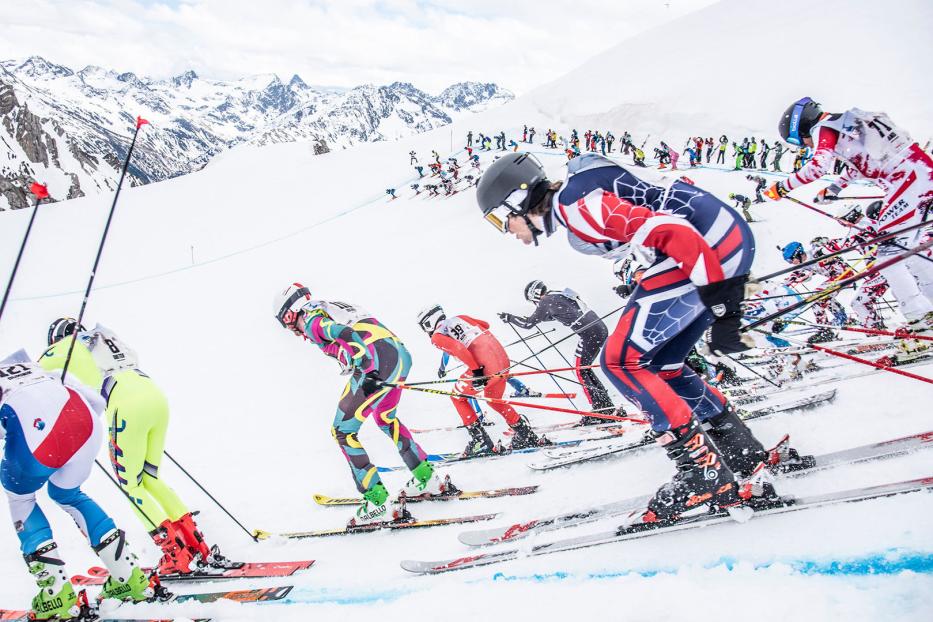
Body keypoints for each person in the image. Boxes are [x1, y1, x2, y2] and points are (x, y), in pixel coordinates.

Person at [475, 152, 806, 524]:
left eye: (501, 219)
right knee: (663, 365)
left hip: (704, 250)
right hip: (725, 243)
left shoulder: (576, 207)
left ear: (517, 200)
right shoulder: (578, 203)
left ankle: (703, 475)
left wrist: (723, 303)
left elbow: (675, 232)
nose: (507, 230)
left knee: (618, 362)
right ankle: (742, 452)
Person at [40, 319, 233, 578]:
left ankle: (174, 554)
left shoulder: (66, 345)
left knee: (131, 485)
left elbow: (37, 369)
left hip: (126, 404)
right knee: (150, 478)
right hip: (153, 396)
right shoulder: (105, 337)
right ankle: (197, 546)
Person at [273, 284, 451, 526]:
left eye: (285, 323)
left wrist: (368, 369)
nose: (291, 330)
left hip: (376, 360)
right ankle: (426, 477)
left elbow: (345, 334)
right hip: (398, 355)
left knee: (343, 431)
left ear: (289, 314)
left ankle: (378, 503)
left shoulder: (312, 320)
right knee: (385, 418)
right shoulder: (328, 306)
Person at [1, 349, 159, 619]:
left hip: (38, 437)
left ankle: (57, 597)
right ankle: (127, 577)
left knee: (21, 497)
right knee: (66, 493)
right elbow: (95, 401)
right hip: (85, 425)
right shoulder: (34, 367)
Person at [766, 97, 933, 329]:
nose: (806, 145)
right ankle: (928, 308)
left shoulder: (823, 128)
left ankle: (920, 316)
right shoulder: (846, 124)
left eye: (800, 141)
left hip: (906, 180)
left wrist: (781, 187)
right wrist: (835, 187)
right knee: (909, 249)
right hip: (920, 172)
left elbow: (817, 167)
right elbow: (864, 164)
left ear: (802, 125)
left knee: (888, 252)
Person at [416, 304, 548, 455]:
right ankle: (525, 435)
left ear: (428, 322)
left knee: (457, 397)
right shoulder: (460, 317)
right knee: (493, 399)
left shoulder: (437, 337)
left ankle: (481, 441)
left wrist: (476, 370)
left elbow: (458, 348)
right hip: (503, 360)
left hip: (486, 366)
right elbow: (485, 325)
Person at [498, 280, 619, 424]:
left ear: (534, 295)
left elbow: (527, 324)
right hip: (598, 328)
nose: (535, 304)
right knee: (584, 369)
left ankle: (600, 409)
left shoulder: (545, 302)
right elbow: (557, 313)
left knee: (579, 370)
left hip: (588, 333)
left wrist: (509, 318)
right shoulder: (556, 294)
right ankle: (605, 405)